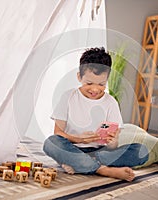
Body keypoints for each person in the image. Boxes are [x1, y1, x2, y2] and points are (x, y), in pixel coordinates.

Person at [43, 47, 149, 182]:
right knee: (51, 143)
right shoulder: (68, 97)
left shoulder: (111, 103)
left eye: (101, 84)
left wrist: (113, 141)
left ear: (107, 80)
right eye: (89, 83)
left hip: (100, 152)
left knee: (142, 151)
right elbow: (58, 133)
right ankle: (103, 170)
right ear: (79, 77)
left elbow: (112, 147)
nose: (94, 89)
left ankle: (82, 164)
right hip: (72, 149)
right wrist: (79, 139)